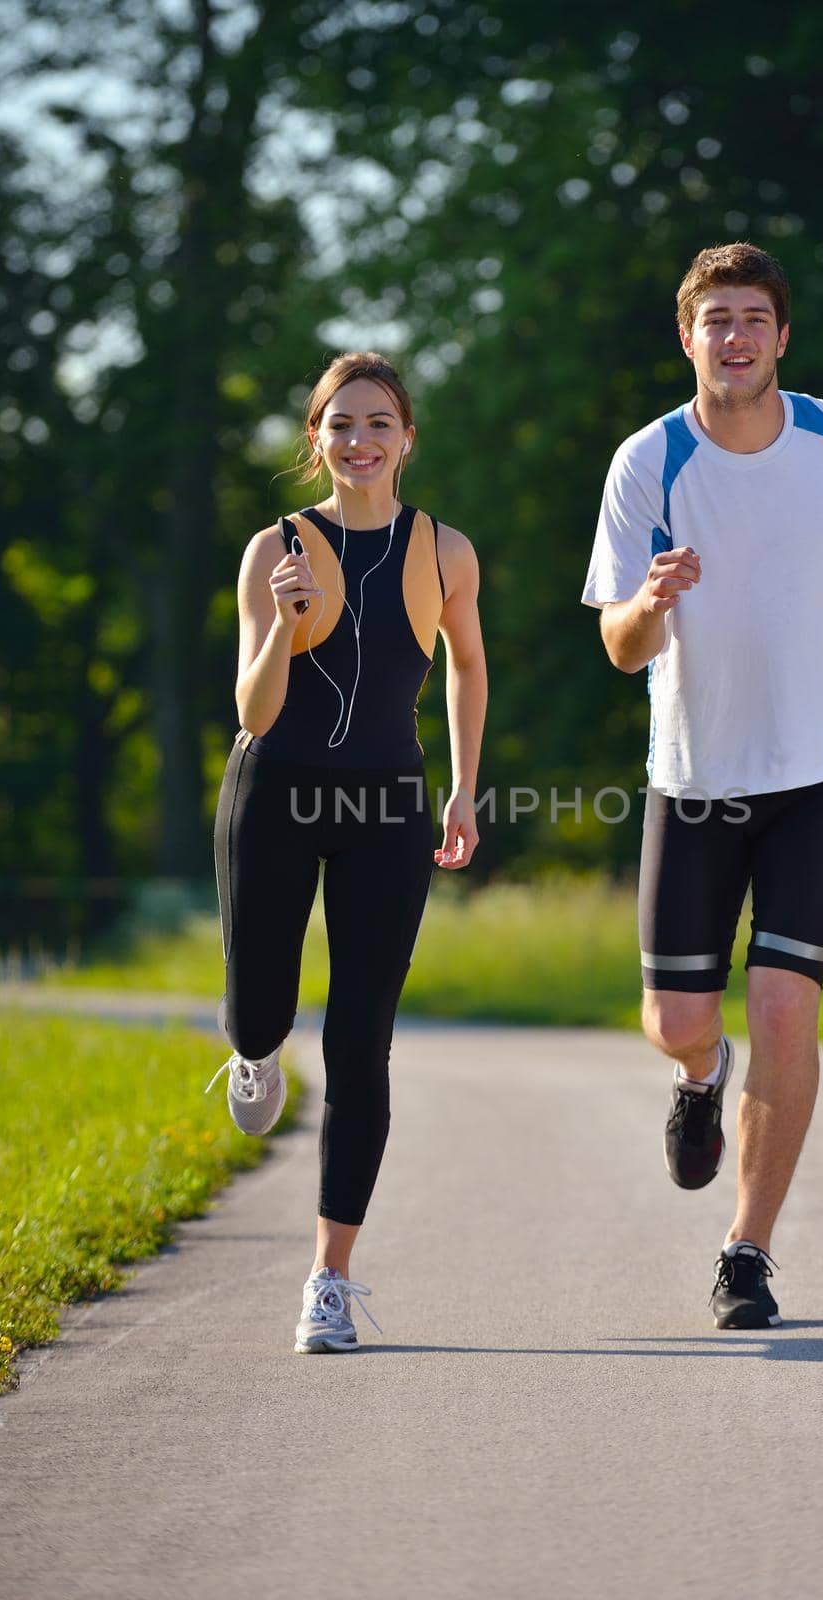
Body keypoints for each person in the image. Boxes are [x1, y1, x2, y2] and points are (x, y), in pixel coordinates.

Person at [582, 243, 823, 1329]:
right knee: (676, 1016)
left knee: (787, 999)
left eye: (752, 319)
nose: (734, 337)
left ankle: (747, 1251)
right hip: (696, 778)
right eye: (714, 320)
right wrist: (650, 597)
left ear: (781, 336)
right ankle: (699, 1078)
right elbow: (621, 649)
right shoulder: (649, 461)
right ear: (686, 338)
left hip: (822, 765)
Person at [209, 352, 487, 1352]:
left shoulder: (445, 550)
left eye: (379, 423)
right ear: (316, 440)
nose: (360, 441)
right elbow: (253, 709)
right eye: (341, 425)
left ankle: (329, 1277)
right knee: (260, 1009)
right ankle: (252, 1052)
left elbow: (466, 666)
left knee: (361, 1041)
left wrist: (459, 785)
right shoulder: (273, 549)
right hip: (273, 791)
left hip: (386, 803)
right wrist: (284, 627)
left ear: (407, 438)